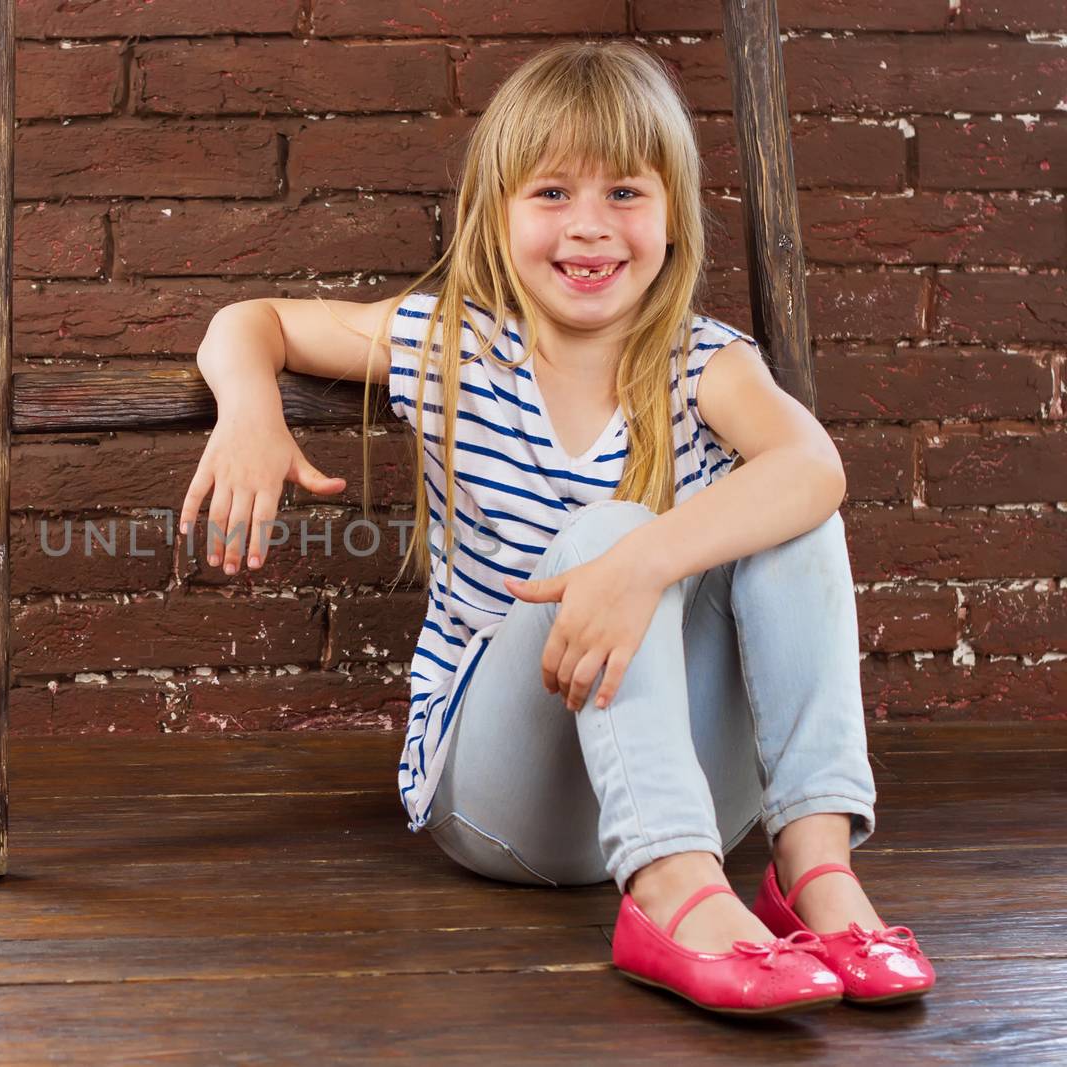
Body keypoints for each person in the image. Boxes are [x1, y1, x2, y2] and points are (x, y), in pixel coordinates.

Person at [181, 39, 935, 1017]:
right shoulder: (451, 341)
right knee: (602, 533)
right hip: (505, 801)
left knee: (791, 513)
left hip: (689, 789)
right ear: (495, 214)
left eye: (625, 192)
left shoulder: (705, 363)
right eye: (550, 194)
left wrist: (644, 563)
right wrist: (249, 410)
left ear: (671, 213)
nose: (590, 227)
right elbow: (250, 321)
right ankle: (667, 897)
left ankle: (811, 869)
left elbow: (814, 467)